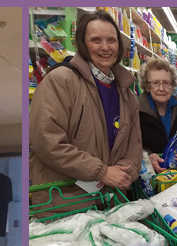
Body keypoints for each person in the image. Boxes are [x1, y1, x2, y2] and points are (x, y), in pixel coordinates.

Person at [29, 9, 142, 216]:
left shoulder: (127, 93)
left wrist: (124, 173)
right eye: (96, 40)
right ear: (83, 43)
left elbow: (134, 146)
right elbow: (48, 142)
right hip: (65, 206)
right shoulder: (61, 81)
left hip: (110, 204)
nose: (105, 47)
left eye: (111, 40)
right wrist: (102, 172)